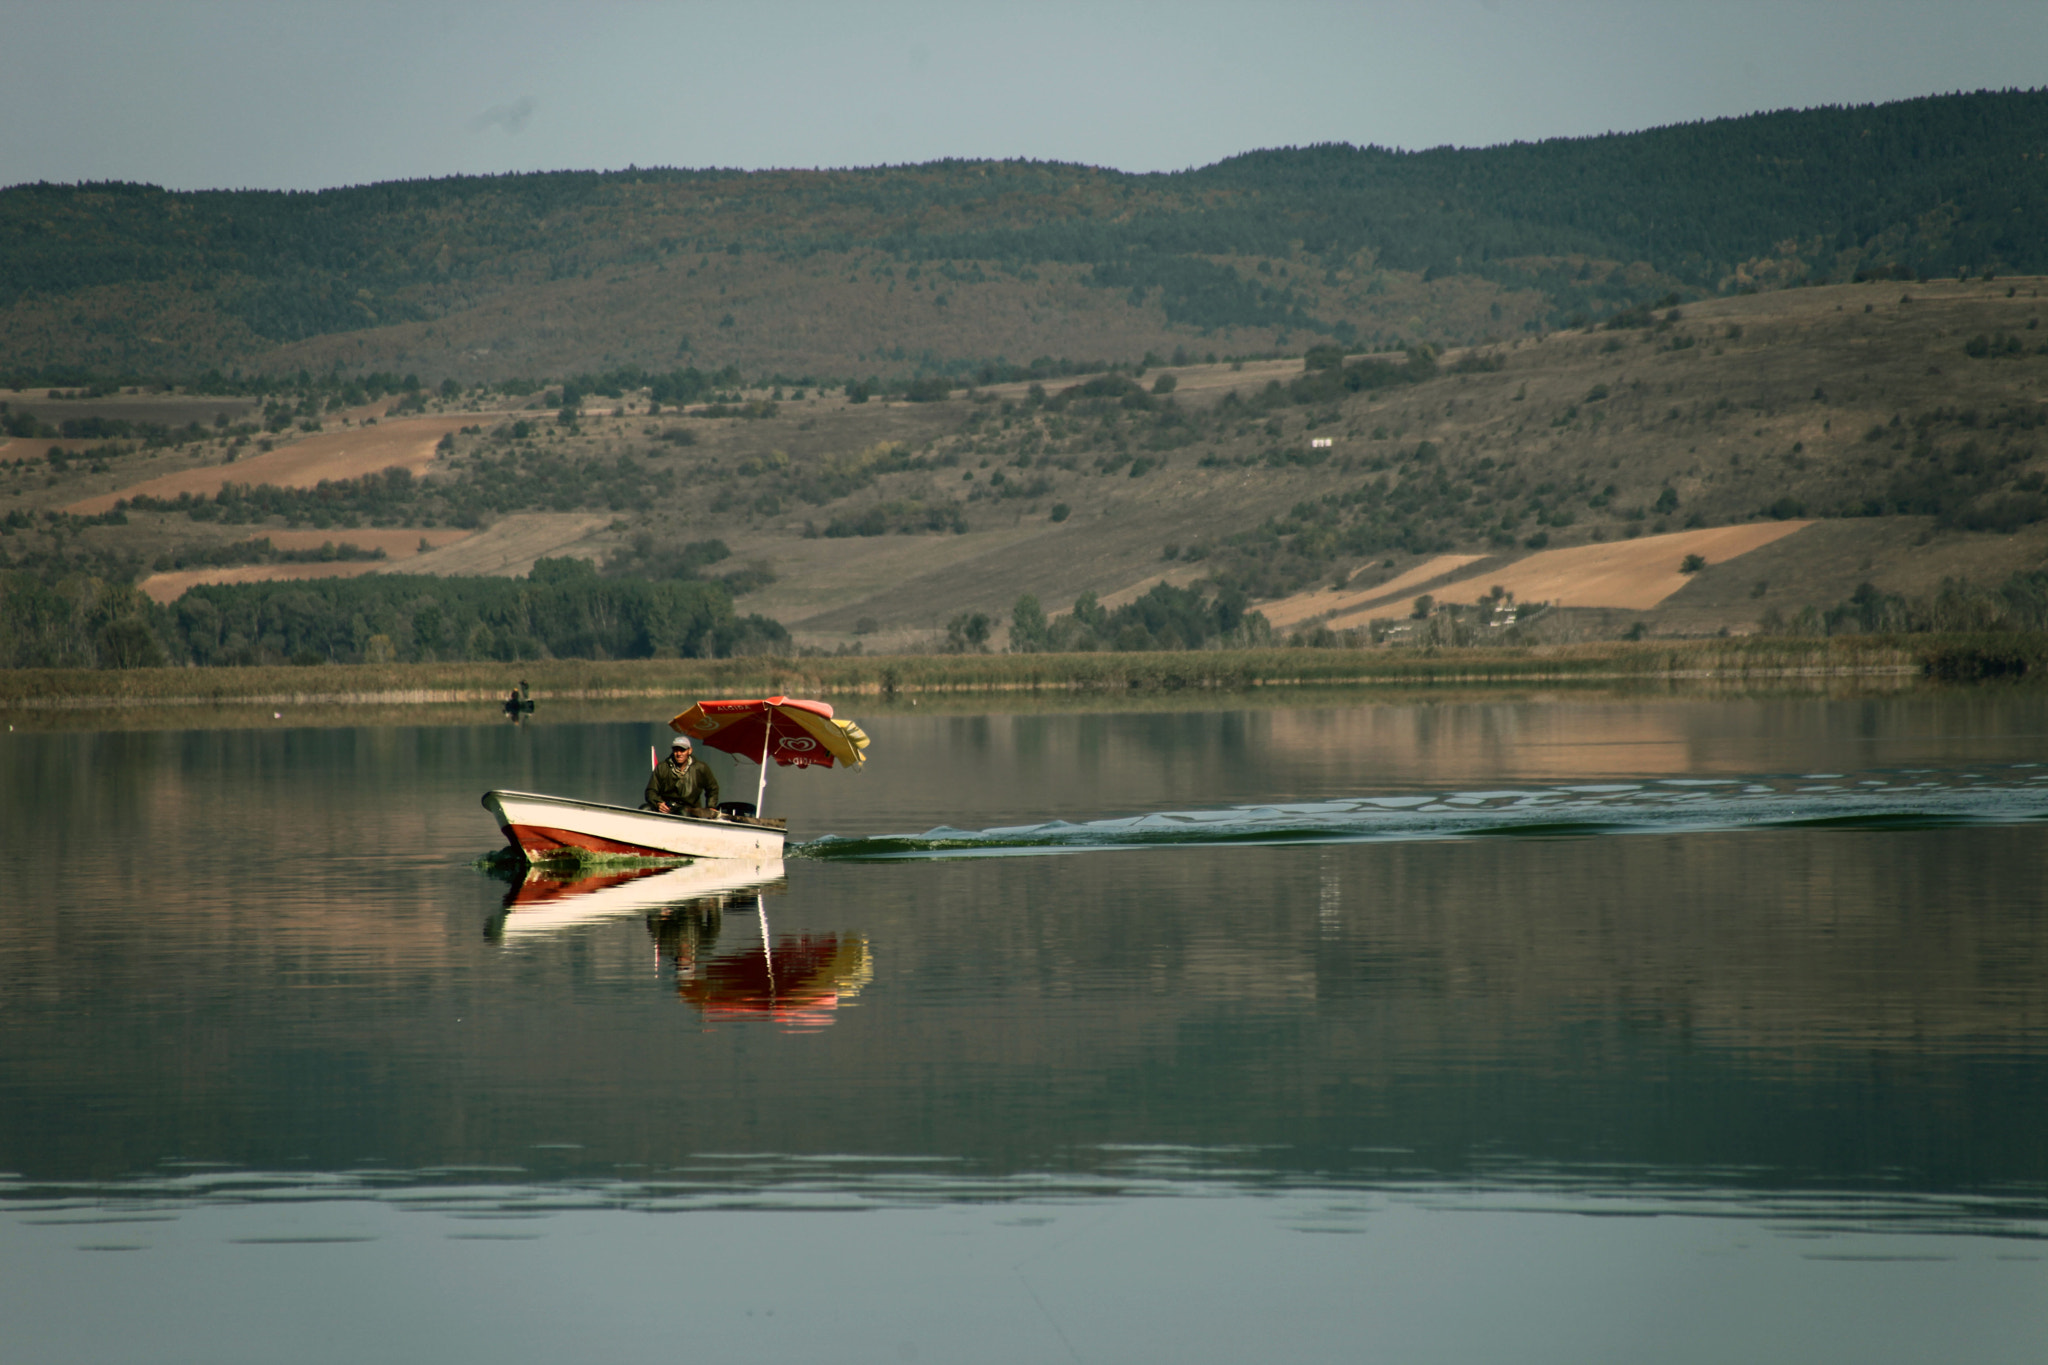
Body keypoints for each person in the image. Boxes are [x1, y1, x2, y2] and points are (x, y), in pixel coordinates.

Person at [645, 734, 720, 814]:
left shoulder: (700, 768)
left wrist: (711, 806)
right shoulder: (662, 767)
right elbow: (651, 791)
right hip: (666, 806)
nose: (679, 754)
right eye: (676, 750)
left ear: (689, 751)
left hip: (690, 809)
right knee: (645, 809)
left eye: (682, 750)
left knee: (682, 812)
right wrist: (658, 803)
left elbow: (713, 788)